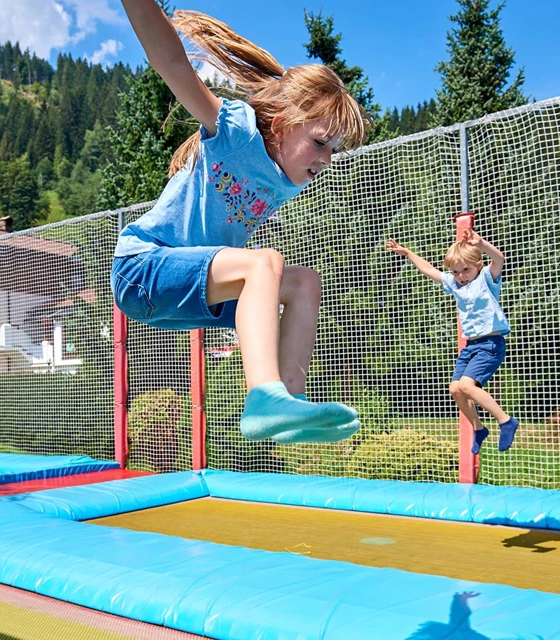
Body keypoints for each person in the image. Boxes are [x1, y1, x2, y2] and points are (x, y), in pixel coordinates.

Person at [113, 0, 369, 444]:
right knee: (263, 263)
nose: (326, 160)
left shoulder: (292, 179)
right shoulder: (236, 132)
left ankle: (286, 404)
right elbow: (171, 62)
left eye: (334, 150)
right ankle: (265, 396)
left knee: (304, 283)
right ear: (287, 122)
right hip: (143, 270)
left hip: (191, 293)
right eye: (320, 143)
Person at [385, 230, 519, 453]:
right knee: (456, 389)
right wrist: (408, 253)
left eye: (465, 270)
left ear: (478, 264)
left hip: (490, 344)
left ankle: (506, 421)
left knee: (467, 385)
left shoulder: (487, 279)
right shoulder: (456, 285)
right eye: (456, 272)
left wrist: (481, 243)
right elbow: (430, 270)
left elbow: (500, 259)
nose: (461, 276)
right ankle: (479, 428)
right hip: (471, 346)